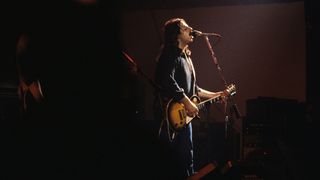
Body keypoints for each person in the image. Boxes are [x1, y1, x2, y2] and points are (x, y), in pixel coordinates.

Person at [153, 18, 227, 178]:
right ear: (176, 35)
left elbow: (195, 90)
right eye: (186, 28)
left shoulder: (187, 58)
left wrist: (217, 95)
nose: (191, 29)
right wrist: (186, 101)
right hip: (168, 118)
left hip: (184, 118)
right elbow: (165, 79)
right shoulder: (169, 54)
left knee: (187, 160)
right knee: (169, 162)